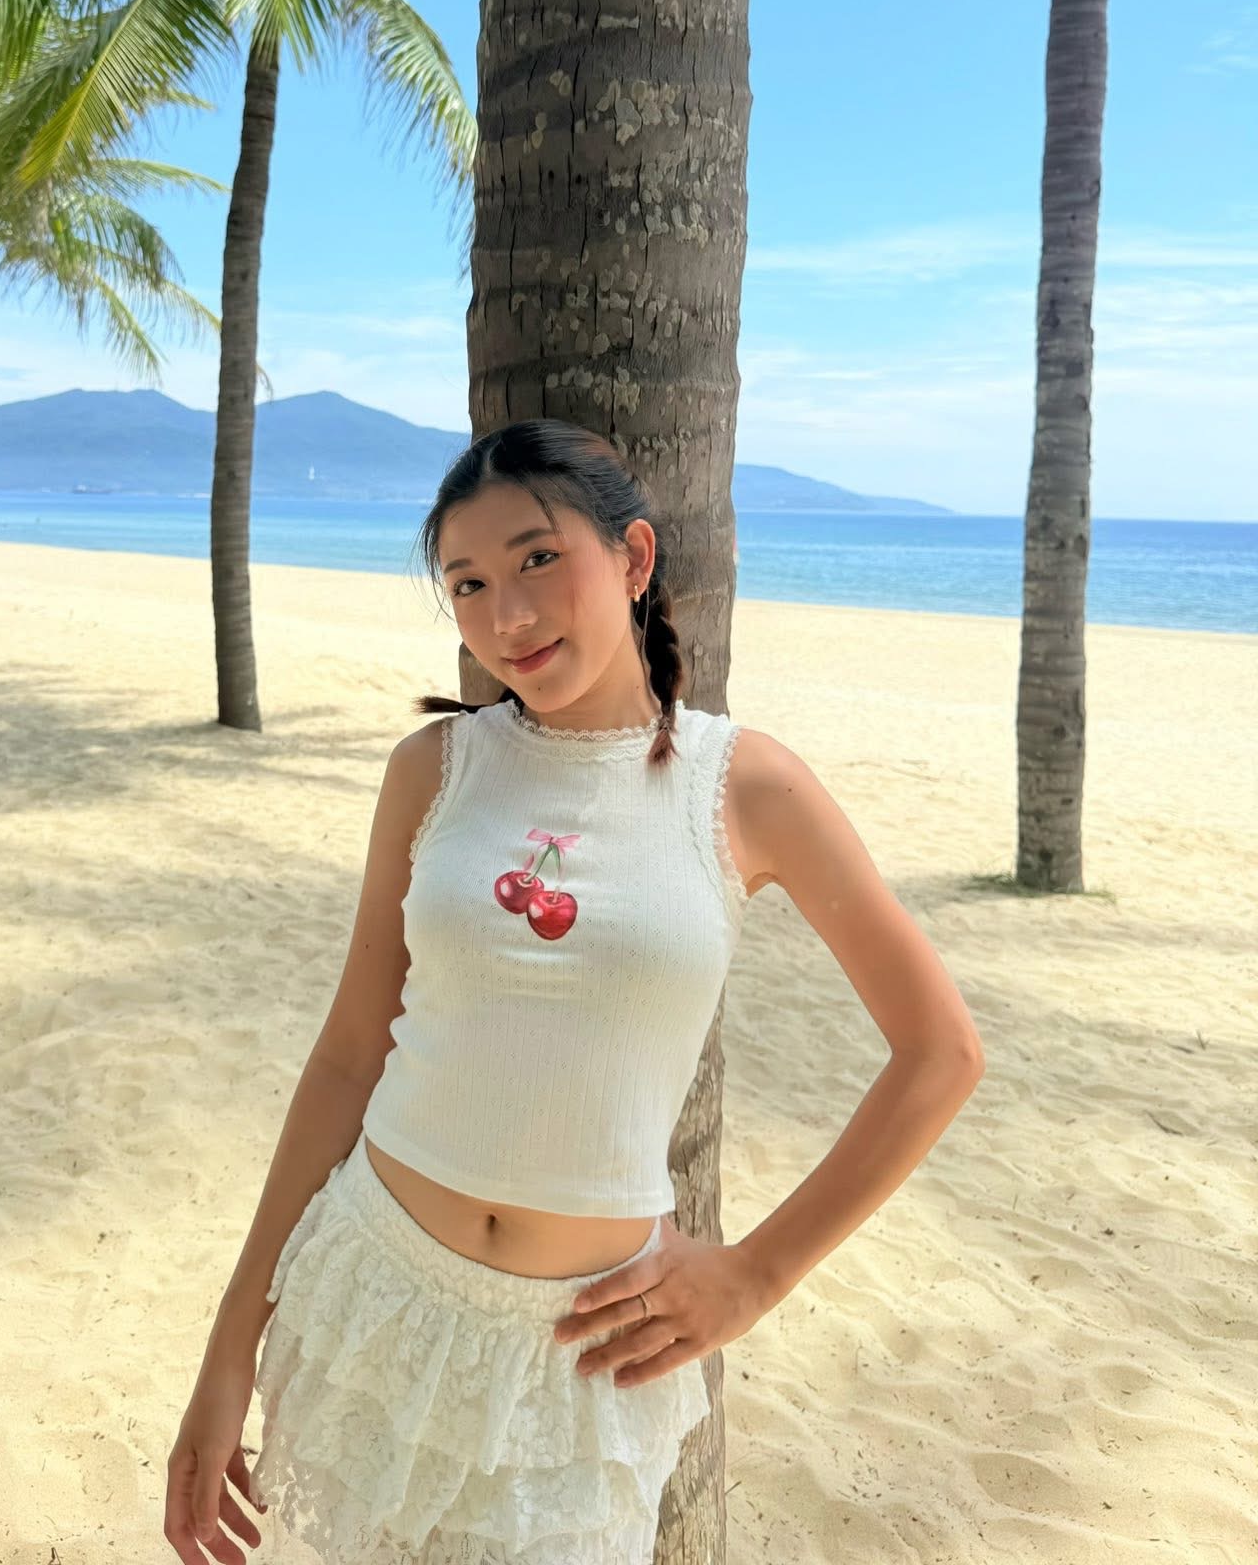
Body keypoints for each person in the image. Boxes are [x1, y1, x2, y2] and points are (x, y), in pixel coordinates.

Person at [164, 419, 985, 1563]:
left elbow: (941, 1051)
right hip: (374, 1291)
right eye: (468, 583)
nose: (508, 614)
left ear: (633, 557)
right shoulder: (433, 772)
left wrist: (755, 1273)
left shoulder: (743, 786)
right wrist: (229, 1344)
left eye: (539, 558)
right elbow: (351, 1053)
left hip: (576, 1361)